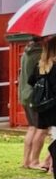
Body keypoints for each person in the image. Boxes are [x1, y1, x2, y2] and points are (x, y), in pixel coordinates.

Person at [20, 38, 49, 171]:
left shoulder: (26, 52)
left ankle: (26, 160)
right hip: (36, 96)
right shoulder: (40, 54)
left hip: (25, 94)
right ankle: (35, 160)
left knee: (32, 127)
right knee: (41, 129)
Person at [29, 38, 56, 170]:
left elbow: (31, 81)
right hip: (54, 105)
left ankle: (38, 160)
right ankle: (51, 165)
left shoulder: (40, 65)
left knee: (41, 131)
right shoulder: (55, 66)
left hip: (42, 105)